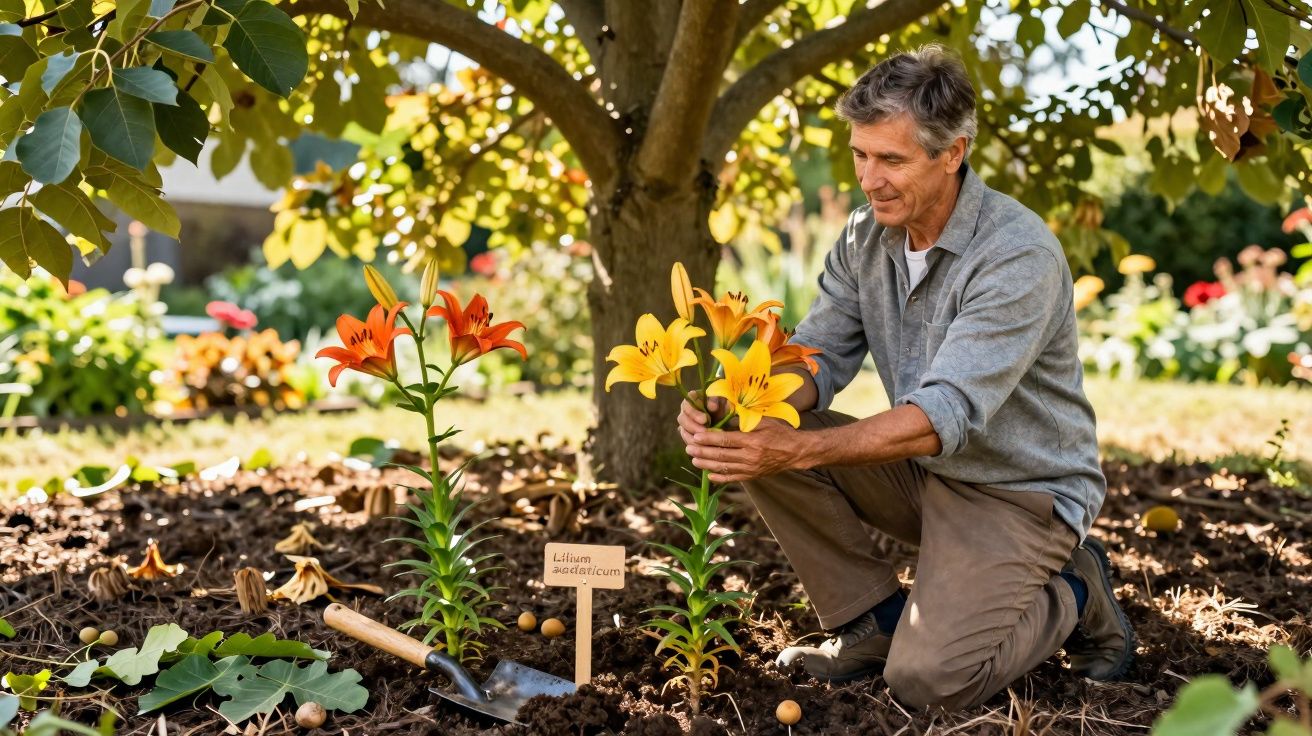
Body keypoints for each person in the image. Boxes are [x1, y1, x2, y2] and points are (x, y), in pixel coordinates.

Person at [677, 45, 1134, 711]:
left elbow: (942, 413)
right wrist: (739, 400)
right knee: (762, 427)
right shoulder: (868, 237)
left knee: (930, 682)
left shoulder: (1016, 255)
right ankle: (875, 622)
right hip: (929, 474)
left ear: (953, 152)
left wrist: (797, 446)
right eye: (861, 155)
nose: (869, 179)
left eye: (891, 160)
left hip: (1018, 495)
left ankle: (1076, 589)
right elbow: (816, 359)